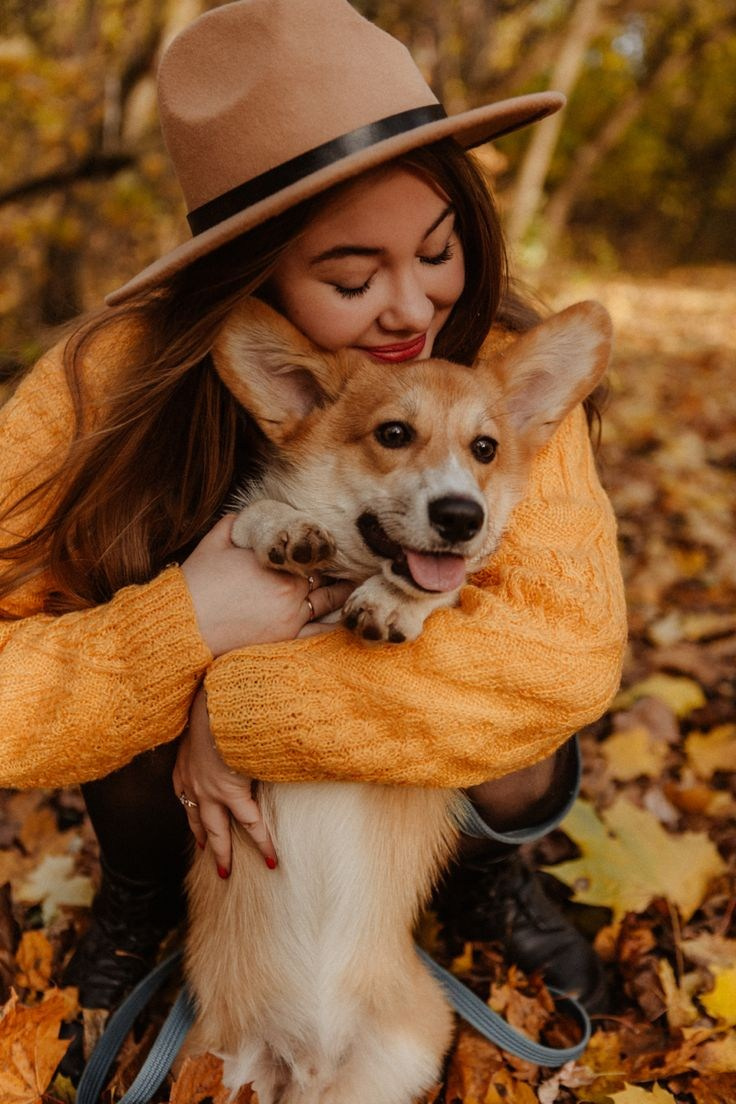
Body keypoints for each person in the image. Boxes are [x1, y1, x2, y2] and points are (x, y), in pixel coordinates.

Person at [0, 0, 626, 1054]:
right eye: (349, 277)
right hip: (180, 812)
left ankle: (479, 882)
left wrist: (233, 703)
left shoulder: (490, 379)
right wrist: (182, 623)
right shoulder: (99, 386)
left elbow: (567, 658)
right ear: (249, 279)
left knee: (518, 720)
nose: (411, 310)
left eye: (438, 250)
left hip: (387, 786)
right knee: (118, 686)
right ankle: (145, 895)